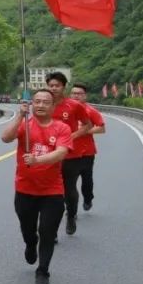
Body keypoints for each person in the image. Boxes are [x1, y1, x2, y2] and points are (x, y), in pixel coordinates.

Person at [0, 89, 72, 284]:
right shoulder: (25, 125)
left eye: (45, 102)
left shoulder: (62, 128)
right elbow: (5, 138)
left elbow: (61, 153)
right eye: (37, 101)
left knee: (47, 232)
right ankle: (31, 244)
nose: (40, 105)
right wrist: (19, 116)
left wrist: (37, 160)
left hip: (52, 190)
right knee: (28, 229)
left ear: (53, 106)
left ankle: (43, 271)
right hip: (25, 188)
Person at [46, 72, 93, 236]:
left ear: (64, 87)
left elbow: (87, 125)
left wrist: (72, 136)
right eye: (51, 85)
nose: (54, 88)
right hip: (47, 155)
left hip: (70, 155)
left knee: (69, 189)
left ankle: (71, 215)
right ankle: (51, 230)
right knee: (49, 192)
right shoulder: (43, 104)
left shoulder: (74, 106)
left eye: (57, 85)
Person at [69, 83, 105, 214]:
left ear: (85, 96)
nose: (76, 96)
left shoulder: (91, 111)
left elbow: (101, 128)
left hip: (86, 153)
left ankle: (88, 199)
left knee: (87, 182)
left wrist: (84, 131)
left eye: (79, 94)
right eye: (74, 93)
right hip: (68, 152)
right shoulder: (64, 111)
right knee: (69, 183)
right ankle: (71, 209)